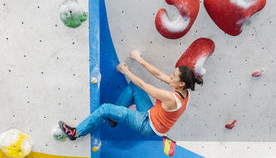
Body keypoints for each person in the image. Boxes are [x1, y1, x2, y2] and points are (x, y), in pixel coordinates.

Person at [59, 50, 203, 140]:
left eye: (174, 76)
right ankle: (114, 118)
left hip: (147, 125)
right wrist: (139, 59)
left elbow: (144, 86)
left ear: (181, 83)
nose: (170, 77)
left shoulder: (171, 98)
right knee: (133, 87)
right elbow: (159, 74)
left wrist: (126, 71)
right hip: (151, 114)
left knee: (104, 109)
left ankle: (76, 133)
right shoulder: (185, 91)